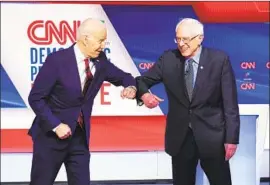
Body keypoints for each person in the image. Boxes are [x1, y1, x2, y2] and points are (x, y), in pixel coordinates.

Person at [28, 18, 136, 185]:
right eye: (100, 41)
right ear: (86, 38)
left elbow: (124, 77)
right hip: (50, 137)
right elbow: (35, 98)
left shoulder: (101, 61)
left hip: (79, 139)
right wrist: (56, 125)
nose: (103, 45)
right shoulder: (57, 61)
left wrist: (131, 87)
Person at [136, 18, 240, 185]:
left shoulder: (219, 60)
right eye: (178, 39)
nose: (181, 44)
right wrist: (145, 95)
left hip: (212, 138)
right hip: (180, 138)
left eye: (186, 39)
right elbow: (142, 81)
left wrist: (232, 139)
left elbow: (230, 104)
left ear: (200, 38)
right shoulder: (168, 59)